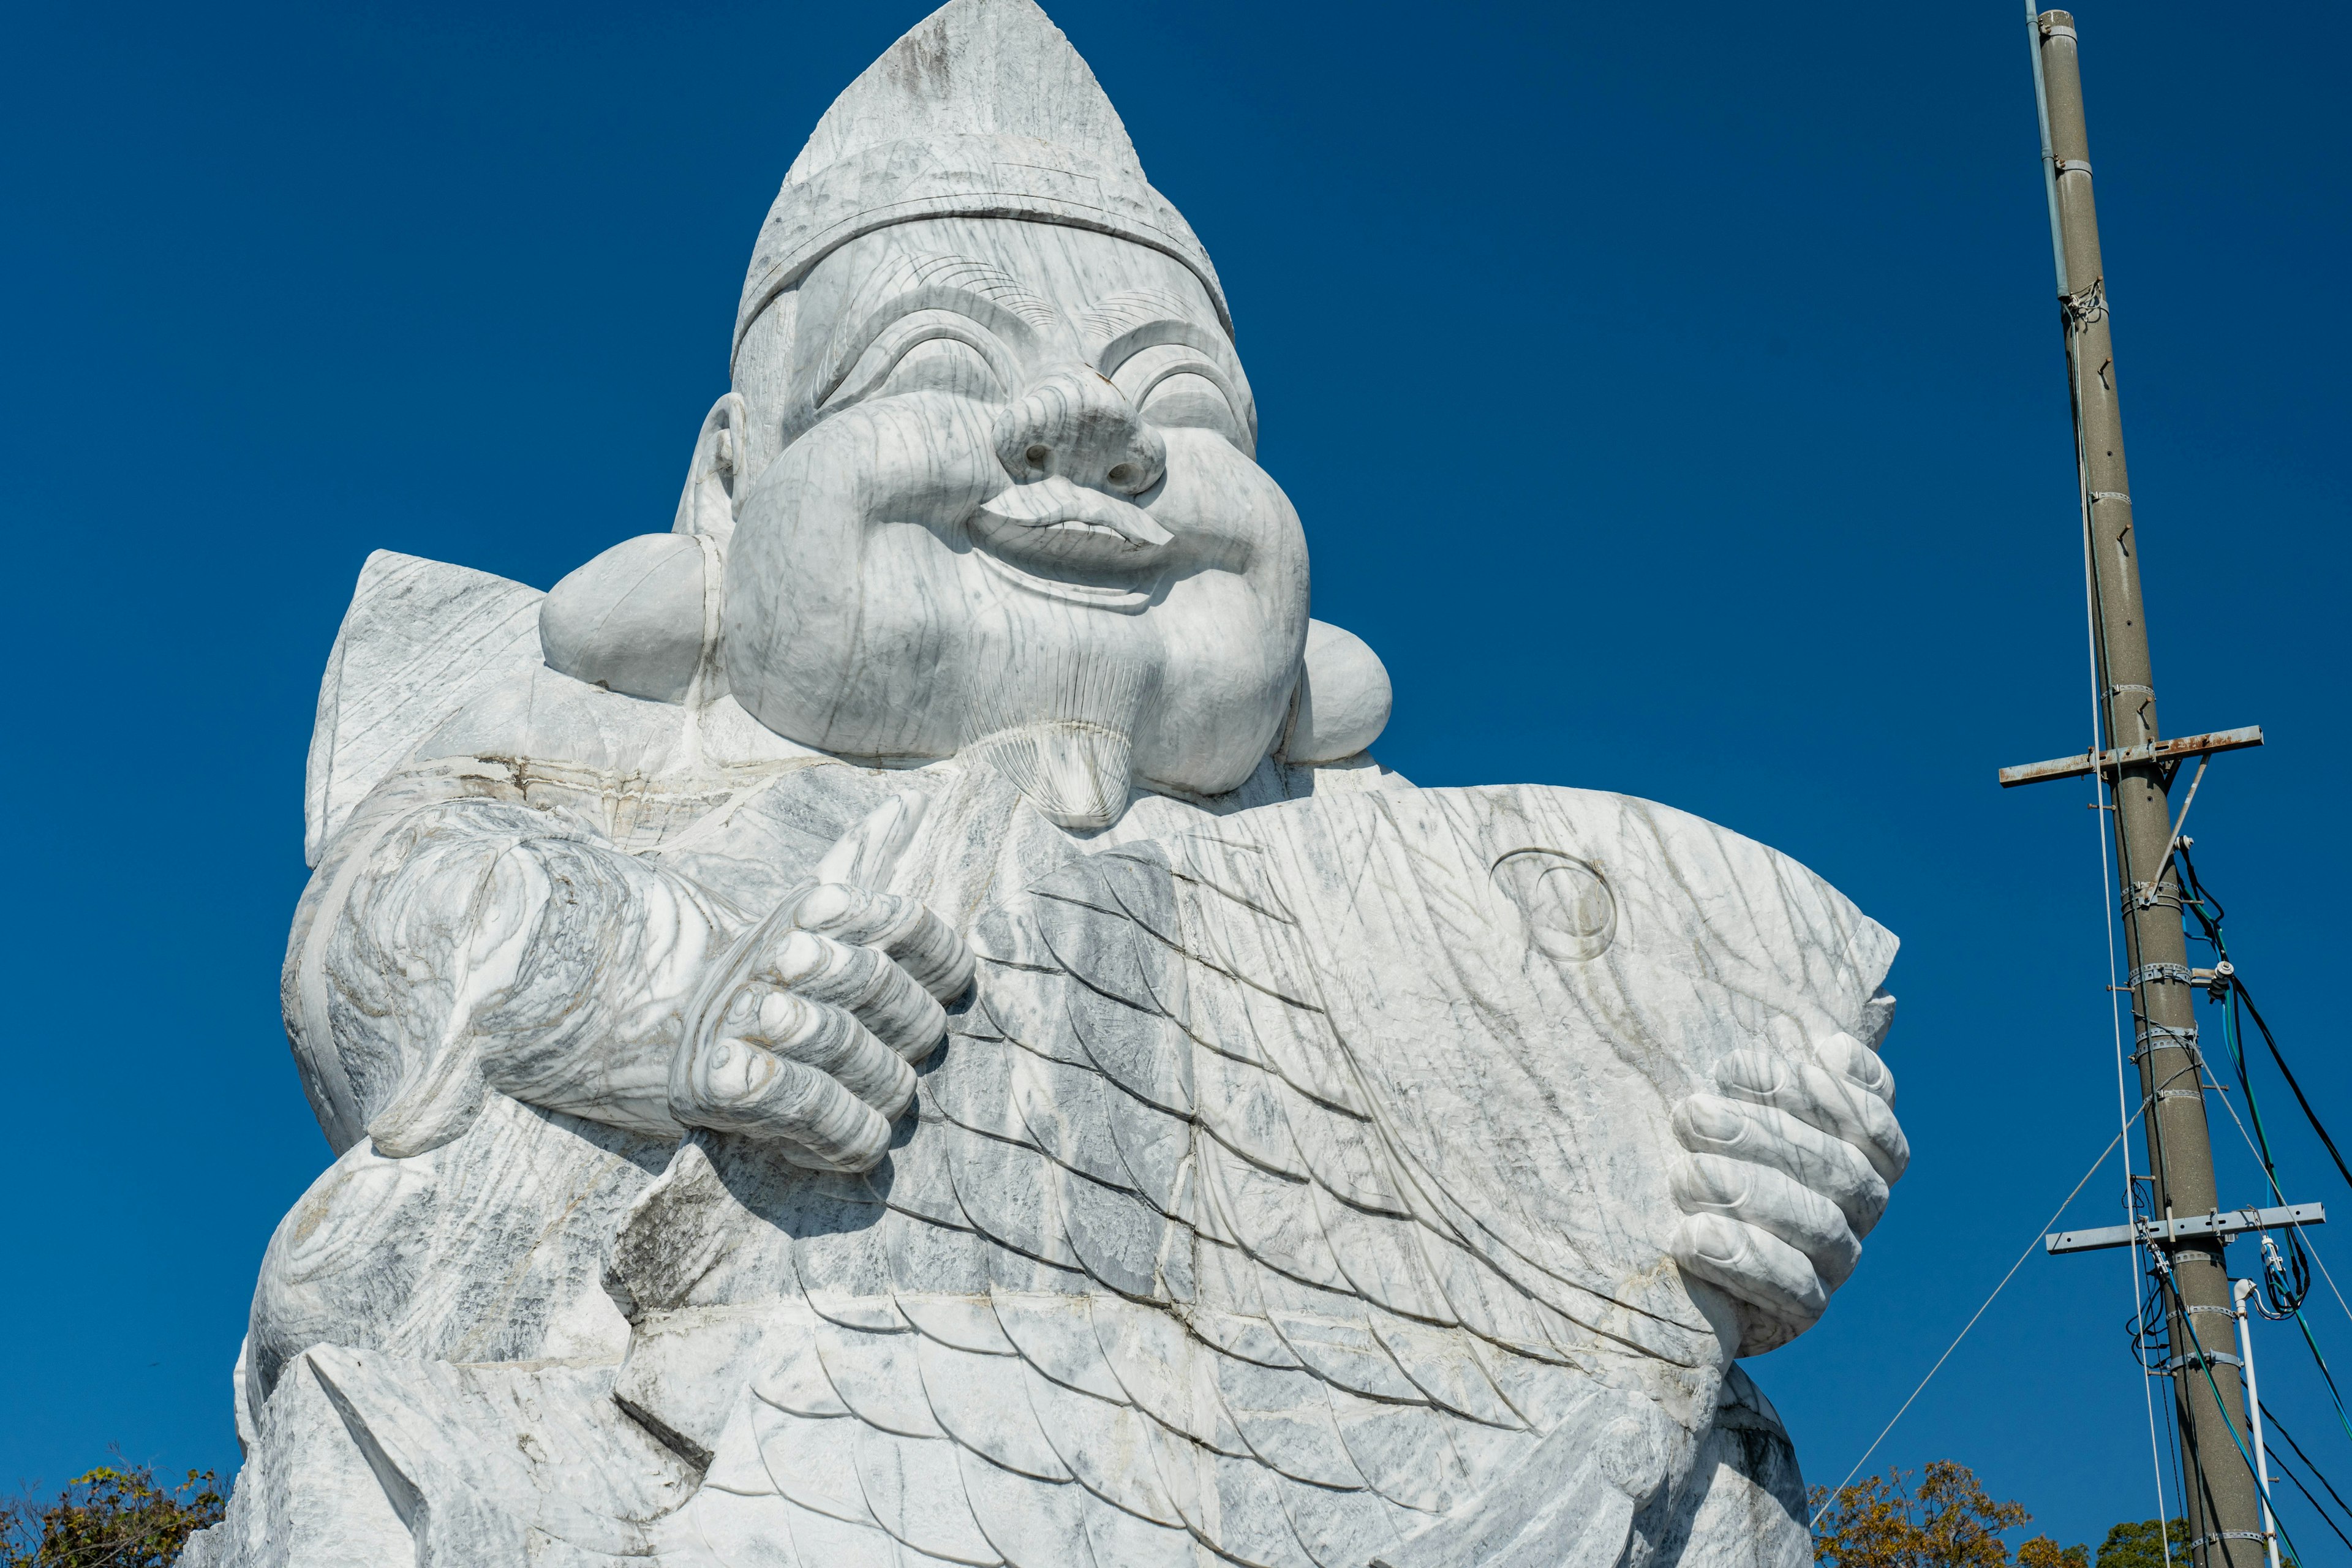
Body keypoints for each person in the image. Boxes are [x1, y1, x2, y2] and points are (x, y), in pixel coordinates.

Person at [190, 5, 1905, 1565]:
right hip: (739, 1441)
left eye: (1185, 400)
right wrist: (687, 995)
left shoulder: (1426, 891)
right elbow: (398, 921)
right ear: (728, 490)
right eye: (941, 364)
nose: (1086, 423)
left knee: (1720, 1482)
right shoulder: (634, 771)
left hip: (1364, 1459)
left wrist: (1722, 1204)